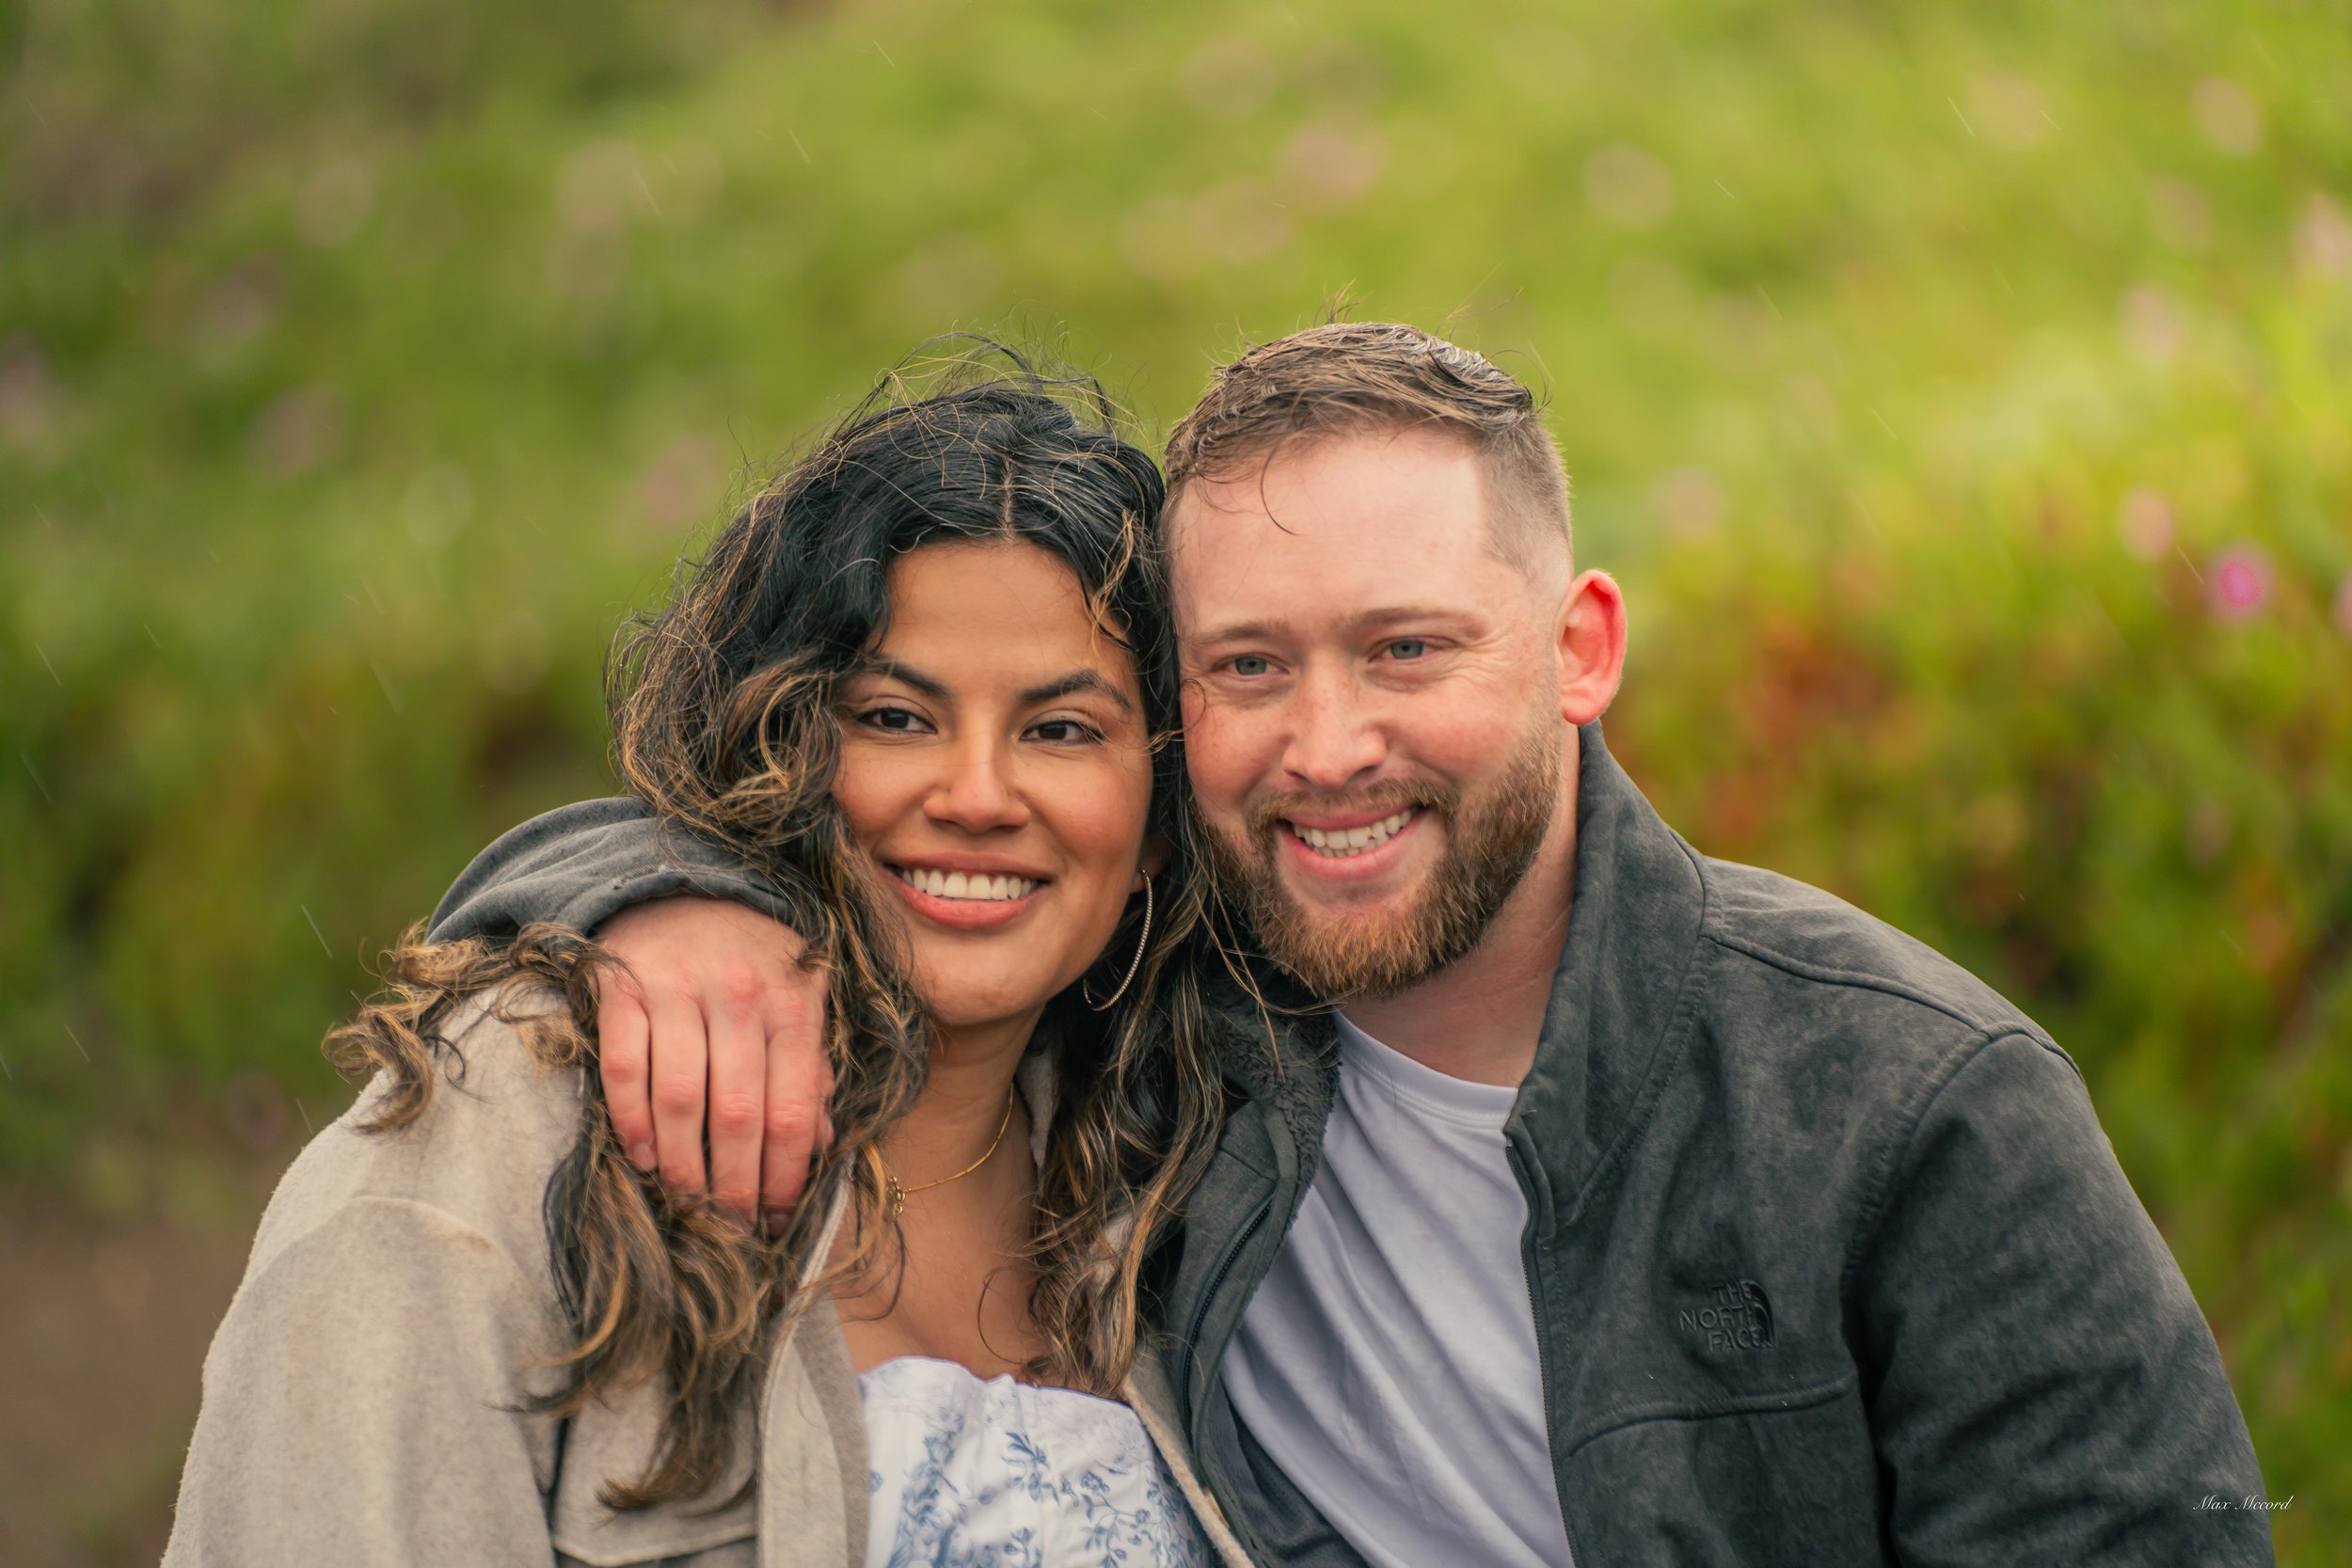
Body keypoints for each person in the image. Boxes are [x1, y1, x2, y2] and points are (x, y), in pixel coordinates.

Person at [426, 325, 2275, 1566]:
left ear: (1578, 646)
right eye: (1246, 666)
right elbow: (921, 817)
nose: (1322, 746)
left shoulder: (1901, 1103)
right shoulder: (1165, 1017)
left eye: (1403, 648)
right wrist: (663, 895)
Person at [165, 366, 1259, 1568]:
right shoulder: (518, 1131)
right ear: (777, 738)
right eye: (894, 716)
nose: (978, 795)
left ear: (1163, 810)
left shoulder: (1196, 1184)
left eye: (1061, 729)